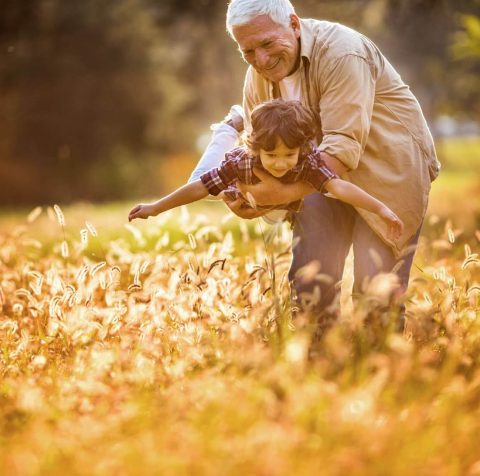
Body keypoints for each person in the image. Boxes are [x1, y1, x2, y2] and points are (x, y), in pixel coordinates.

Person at [189, 0, 440, 332]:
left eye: (267, 44)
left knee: (376, 289)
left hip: (387, 172)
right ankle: (317, 366)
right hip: (317, 176)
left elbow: (340, 149)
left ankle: (382, 370)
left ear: (293, 24)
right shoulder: (257, 76)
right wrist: (245, 195)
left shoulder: (342, 53)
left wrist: (272, 197)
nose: (260, 60)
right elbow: (257, 149)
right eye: (248, 51)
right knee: (311, 283)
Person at [129, 99, 404, 244]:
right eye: (271, 155)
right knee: (201, 180)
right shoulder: (241, 161)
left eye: (289, 154)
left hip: (277, 201)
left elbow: (340, 188)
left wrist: (381, 209)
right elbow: (200, 187)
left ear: (301, 149)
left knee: (281, 204)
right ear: (257, 148)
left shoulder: (307, 161)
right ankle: (230, 126)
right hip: (240, 187)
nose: (281, 163)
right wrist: (156, 207)